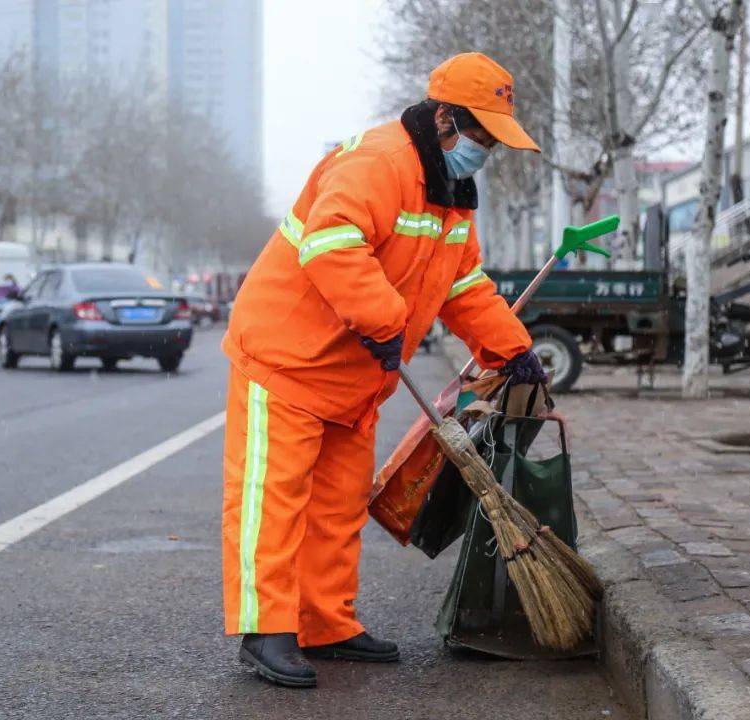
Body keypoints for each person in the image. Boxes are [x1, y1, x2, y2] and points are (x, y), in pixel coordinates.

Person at [220, 52, 549, 688]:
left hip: (356, 373)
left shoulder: (452, 197)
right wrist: (387, 322)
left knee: (338, 505)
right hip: (287, 358)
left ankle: (324, 622)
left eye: (494, 139)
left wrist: (511, 347)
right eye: (481, 134)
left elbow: (464, 285)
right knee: (274, 499)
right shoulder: (378, 161)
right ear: (446, 118)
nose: (486, 149)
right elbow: (330, 243)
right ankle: (265, 630)